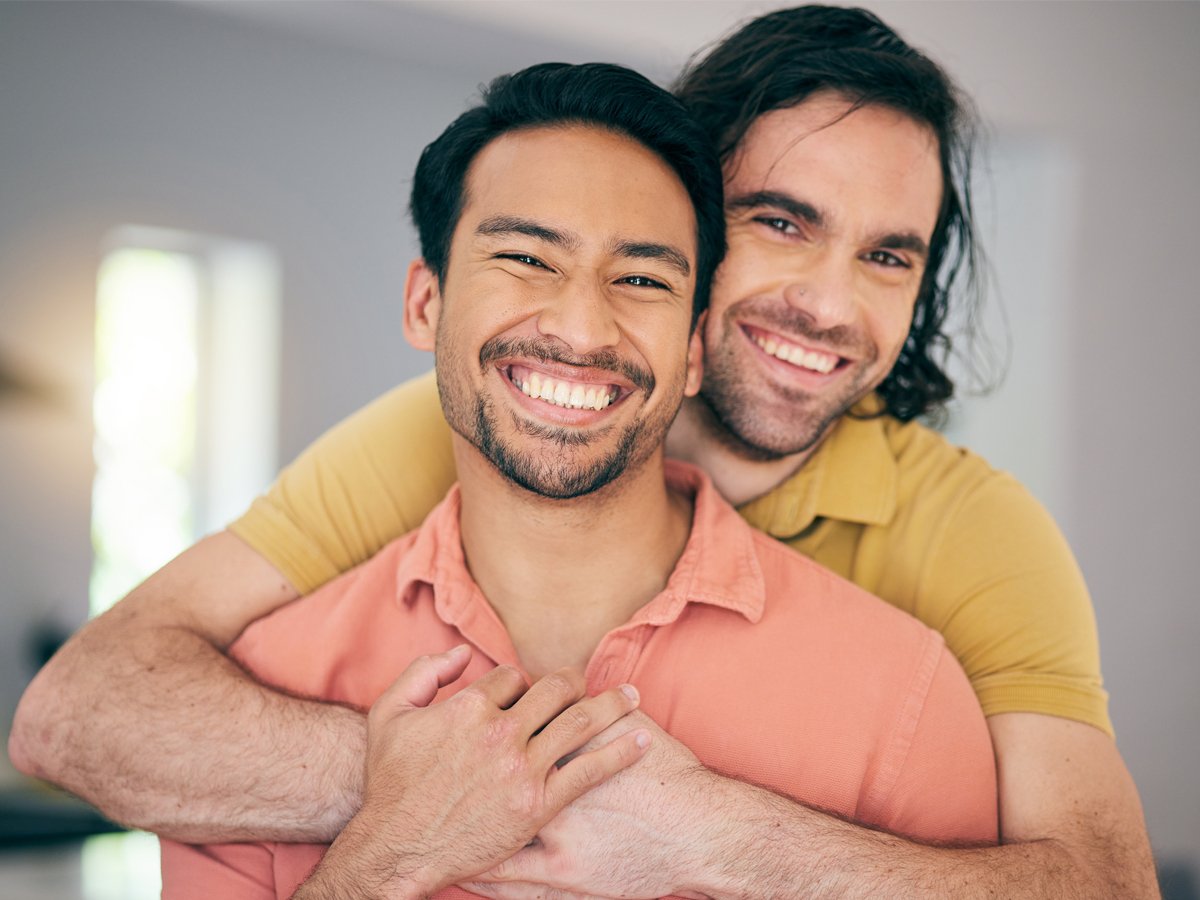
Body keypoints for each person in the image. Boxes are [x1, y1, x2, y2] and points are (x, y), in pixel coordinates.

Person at [10, 5, 1156, 898]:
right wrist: (450, 783)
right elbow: (84, 711)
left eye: (889, 257)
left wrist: (713, 833)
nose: (826, 303)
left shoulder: (958, 574)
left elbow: (1104, 885)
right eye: (783, 221)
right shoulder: (452, 425)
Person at [159, 60, 995, 899]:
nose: (581, 327)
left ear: (696, 349)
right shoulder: (269, 678)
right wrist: (391, 855)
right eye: (526, 257)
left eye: (642, 279)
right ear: (425, 305)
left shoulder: (905, 696)